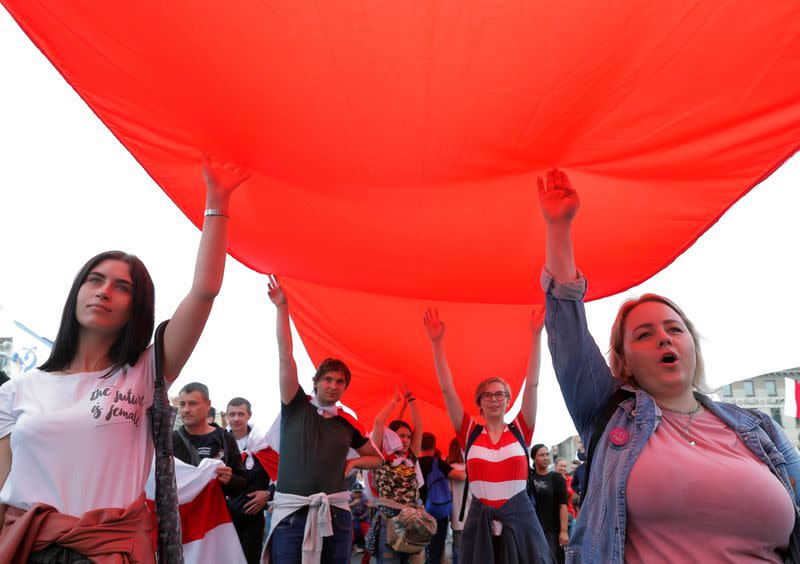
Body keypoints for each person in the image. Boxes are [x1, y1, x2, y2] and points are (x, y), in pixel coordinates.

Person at [537, 167, 800, 562]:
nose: (663, 337)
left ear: (692, 346)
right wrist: (559, 228)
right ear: (623, 363)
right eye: (643, 334)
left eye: (674, 329)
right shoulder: (610, 417)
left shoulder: (760, 429)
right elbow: (567, 331)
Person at [0, 154, 248, 561]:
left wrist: (216, 200)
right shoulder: (16, 391)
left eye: (121, 286)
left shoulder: (144, 373)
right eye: (94, 280)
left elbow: (204, 292)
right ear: (77, 292)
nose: (103, 291)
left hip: (110, 554)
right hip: (27, 550)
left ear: (137, 307)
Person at [265, 275, 382, 564]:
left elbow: (377, 459)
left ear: (345, 388)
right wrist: (282, 308)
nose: (333, 385)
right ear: (316, 382)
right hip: (291, 514)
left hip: (337, 515)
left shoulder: (348, 422)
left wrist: (354, 462)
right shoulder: (295, 404)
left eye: (339, 381)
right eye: (327, 379)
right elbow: (285, 356)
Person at [423, 307, 553, 564]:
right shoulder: (469, 432)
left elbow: (533, 384)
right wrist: (436, 343)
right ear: (479, 403)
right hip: (479, 525)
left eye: (500, 394)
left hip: (521, 522)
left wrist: (536, 336)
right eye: (487, 395)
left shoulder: (521, 428)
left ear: (508, 400)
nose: (494, 399)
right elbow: (447, 389)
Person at [368, 387, 424, 563]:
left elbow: (419, 428)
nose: (406, 440)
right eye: (401, 436)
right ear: (391, 438)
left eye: (408, 436)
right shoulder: (381, 456)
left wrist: (412, 400)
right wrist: (394, 402)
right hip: (388, 522)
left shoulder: (410, 458)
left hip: (412, 522)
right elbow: (379, 423)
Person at [172, 383, 246, 497]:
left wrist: (230, 480)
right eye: (182, 404)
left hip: (213, 511)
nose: (186, 409)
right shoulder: (170, 440)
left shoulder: (225, 438)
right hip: (179, 512)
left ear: (208, 405)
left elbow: (243, 483)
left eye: (193, 404)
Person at [225, 396, 271, 564]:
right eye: (232, 414)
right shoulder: (218, 442)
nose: (236, 419)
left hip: (252, 517)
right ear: (226, 416)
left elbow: (280, 476)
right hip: (223, 516)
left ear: (249, 415)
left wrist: (268, 494)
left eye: (240, 414)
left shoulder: (264, 444)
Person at [416, 432, 465, 564]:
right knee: (435, 551)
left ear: (419, 445)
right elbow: (461, 476)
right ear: (434, 446)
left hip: (417, 513)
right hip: (438, 513)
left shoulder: (413, 463)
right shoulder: (438, 464)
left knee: (418, 550)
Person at [529, 445, 568, 563]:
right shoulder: (528, 478)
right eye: (541, 455)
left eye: (547, 454)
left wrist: (564, 531)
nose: (546, 458)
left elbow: (563, 505)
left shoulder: (557, 479)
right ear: (534, 458)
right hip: (533, 528)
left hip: (552, 530)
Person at [446, 437, 469, 564]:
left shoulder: (449, 470)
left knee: (458, 550)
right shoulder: (473, 468)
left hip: (457, 519)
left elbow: (448, 494)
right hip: (474, 518)